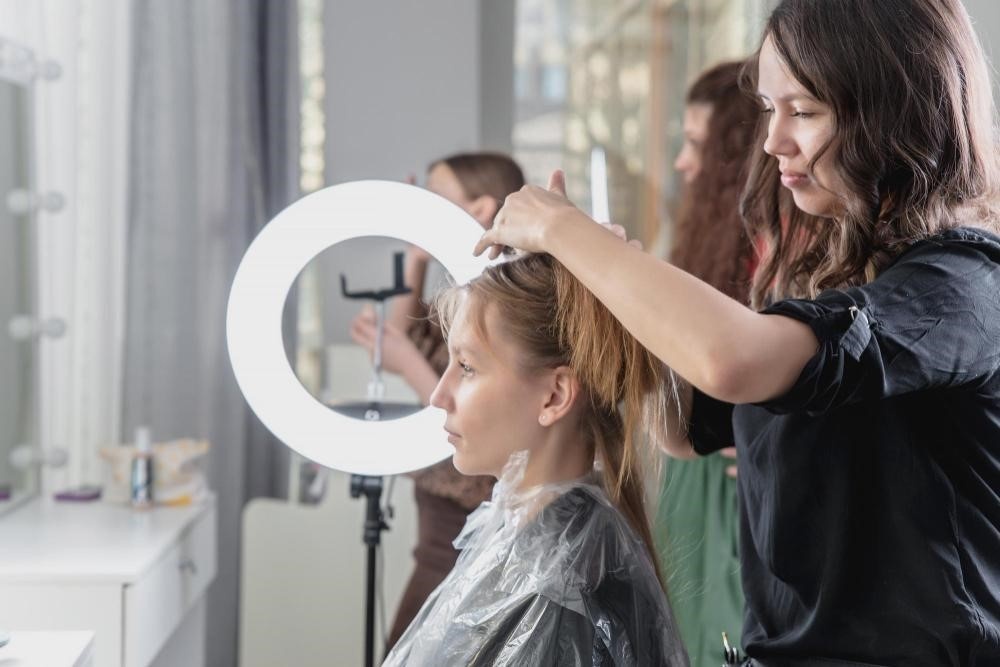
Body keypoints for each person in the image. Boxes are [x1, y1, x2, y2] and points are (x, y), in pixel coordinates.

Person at [474, 0, 1000, 663]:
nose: (773, 141)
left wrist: (566, 232)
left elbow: (732, 360)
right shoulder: (827, 277)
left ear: (893, 114)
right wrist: (609, 290)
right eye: (769, 109)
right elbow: (683, 424)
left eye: (803, 112)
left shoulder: (964, 285)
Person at [382, 252, 689, 666]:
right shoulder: (544, 543)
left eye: (467, 367)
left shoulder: (561, 588)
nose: (438, 395)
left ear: (554, 395)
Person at [349, 152, 525, 649]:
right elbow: (402, 336)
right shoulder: (460, 297)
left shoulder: (506, 302)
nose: (423, 208)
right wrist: (415, 255)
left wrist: (408, 362)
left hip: (470, 514)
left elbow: (475, 406)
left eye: (434, 200)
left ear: (481, 209)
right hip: (438, 516)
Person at [657, 59, 758, 666]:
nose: (681, 162)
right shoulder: (708, 243)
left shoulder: (770, 258)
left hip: (733, 486)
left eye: (696, 144)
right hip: (697, 478)